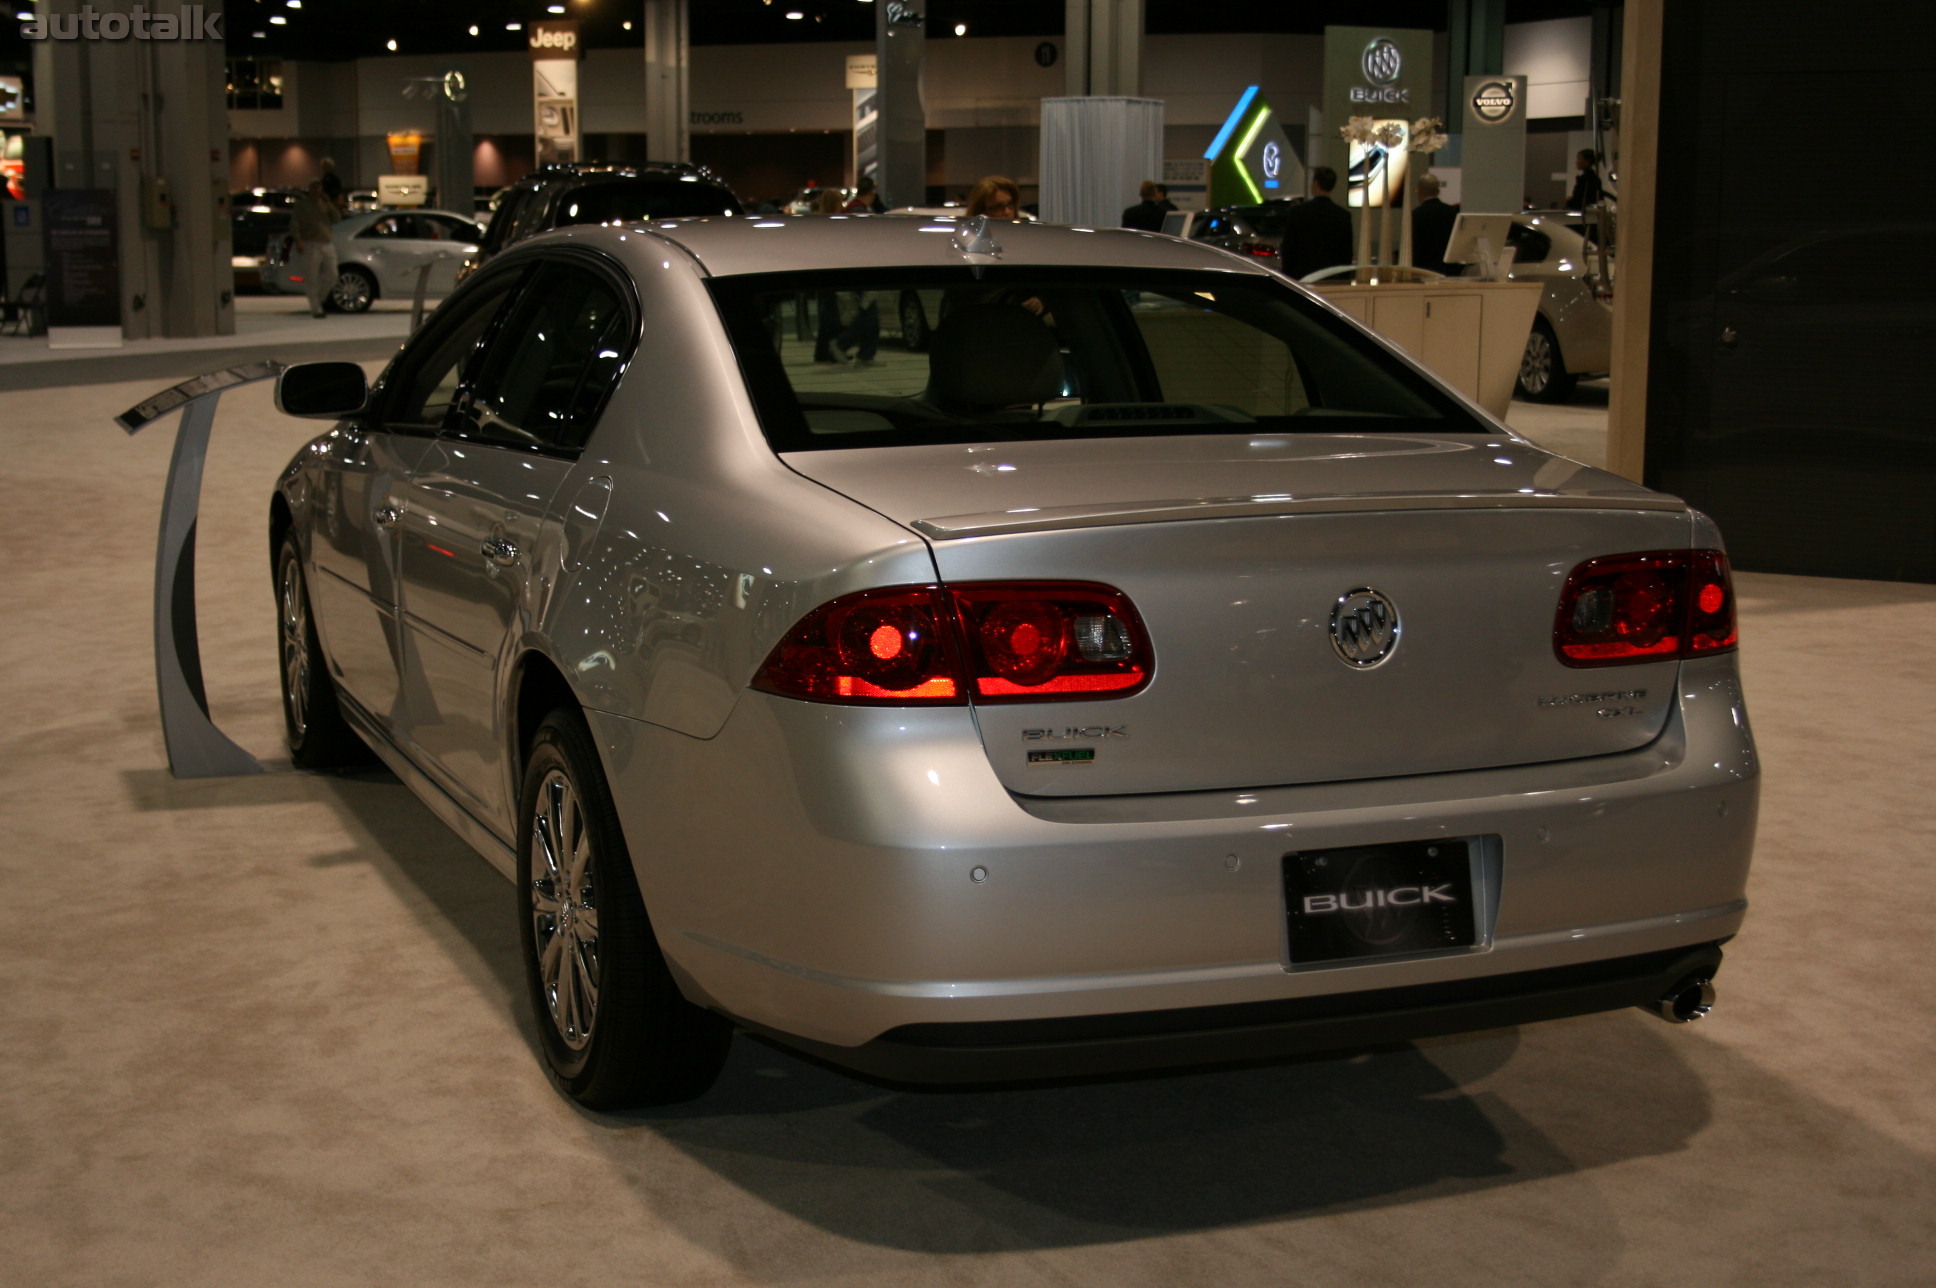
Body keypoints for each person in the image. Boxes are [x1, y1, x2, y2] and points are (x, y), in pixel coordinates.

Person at [1278, 166, 1353, 280]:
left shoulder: (1297, 213)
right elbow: (1346, 254)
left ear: (1316, 184)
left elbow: (1288, 250)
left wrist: (1288, 277)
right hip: (1330, 278)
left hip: (1302, 278)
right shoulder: (1343, 216)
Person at [290, 179, 339, 318]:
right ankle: (316, 308)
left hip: (326, 242)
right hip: (310, 243)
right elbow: (294, 223)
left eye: (319, 187)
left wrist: (328, 204)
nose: (317, 190)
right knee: (311, 277)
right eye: (314, 187)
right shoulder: (302, 205)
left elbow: (336, 218)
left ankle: (318, 298)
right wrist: (298, 240)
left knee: (332, 275)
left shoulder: (324, 204)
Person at [1410, 172, 1459, 276]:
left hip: (1424, 271)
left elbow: (1415, 246)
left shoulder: (1416, 215)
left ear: (1419, 190)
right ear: (1438, 191)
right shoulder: (1453, 213)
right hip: (1449, 271)